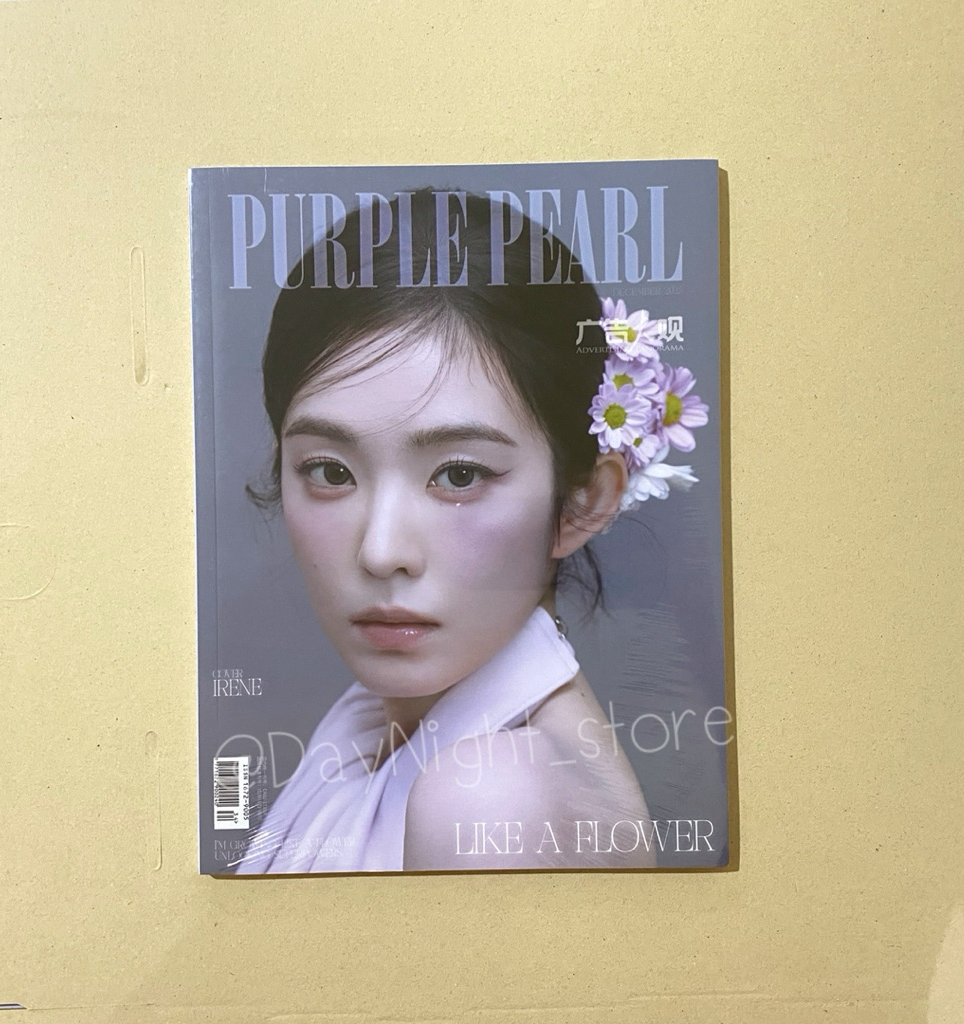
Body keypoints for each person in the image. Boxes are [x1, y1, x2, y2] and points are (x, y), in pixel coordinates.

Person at [234, 188, 703, 873]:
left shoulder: (490, 797)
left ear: (582, 502)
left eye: (458, 475)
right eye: (330, 471)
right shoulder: (373, 730)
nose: (381, 552)